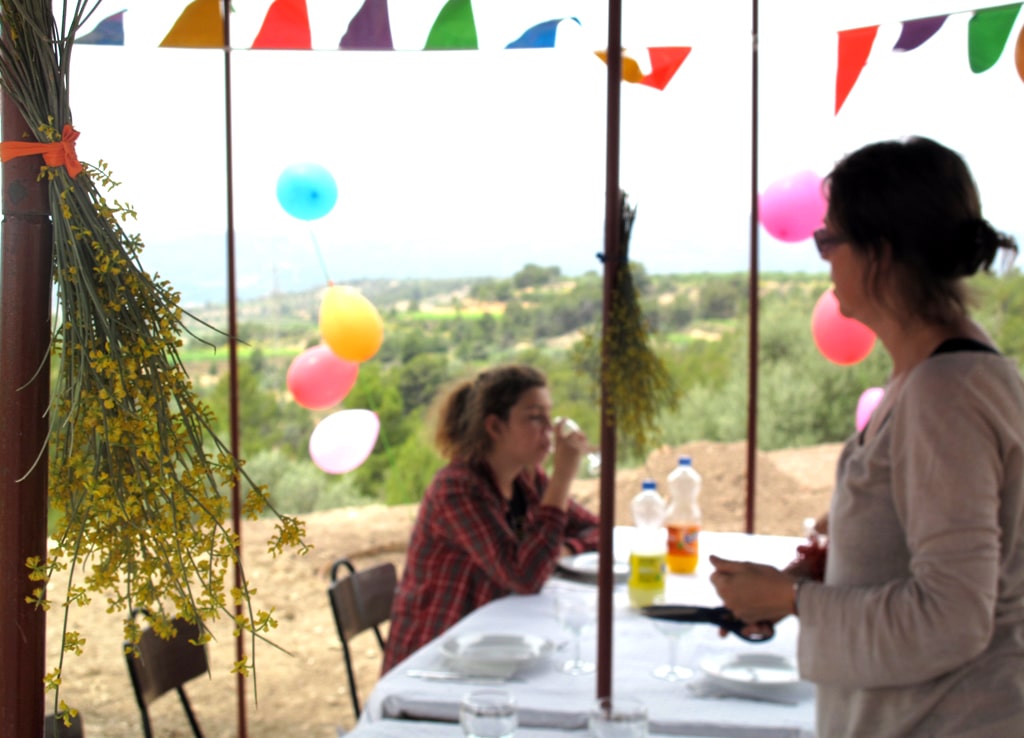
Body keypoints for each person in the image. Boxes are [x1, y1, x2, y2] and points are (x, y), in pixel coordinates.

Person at [710, 136, 1024, 737]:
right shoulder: (939, 376)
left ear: (881, 252)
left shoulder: (945, 395)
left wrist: (791, 601)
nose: (825, 261)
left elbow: (953, 619)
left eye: (829, 240)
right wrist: (823, 574)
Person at [381, 364, 600, 673]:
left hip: (497, 642)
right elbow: (524, 577)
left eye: (549, 416)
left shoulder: (528, 480)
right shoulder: (457, 488)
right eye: (535, 417)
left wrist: (563, 550)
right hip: (437, 657)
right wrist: (562, 478)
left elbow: (596, 529)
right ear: (495, 427)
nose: (550, 430)